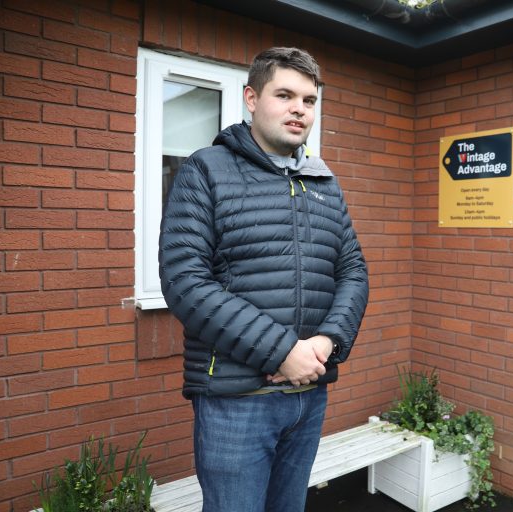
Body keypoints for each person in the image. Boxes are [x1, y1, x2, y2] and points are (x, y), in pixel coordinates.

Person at [159, 47, 369, 511]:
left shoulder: (323, 182)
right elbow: (184, 280)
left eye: (309, 100)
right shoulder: (206, 171)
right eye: (285, 94)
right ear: (251, 98)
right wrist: (281, 351)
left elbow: (352, 270)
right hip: (237, 401)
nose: (299, 108)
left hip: (309, 396)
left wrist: (329, 341)